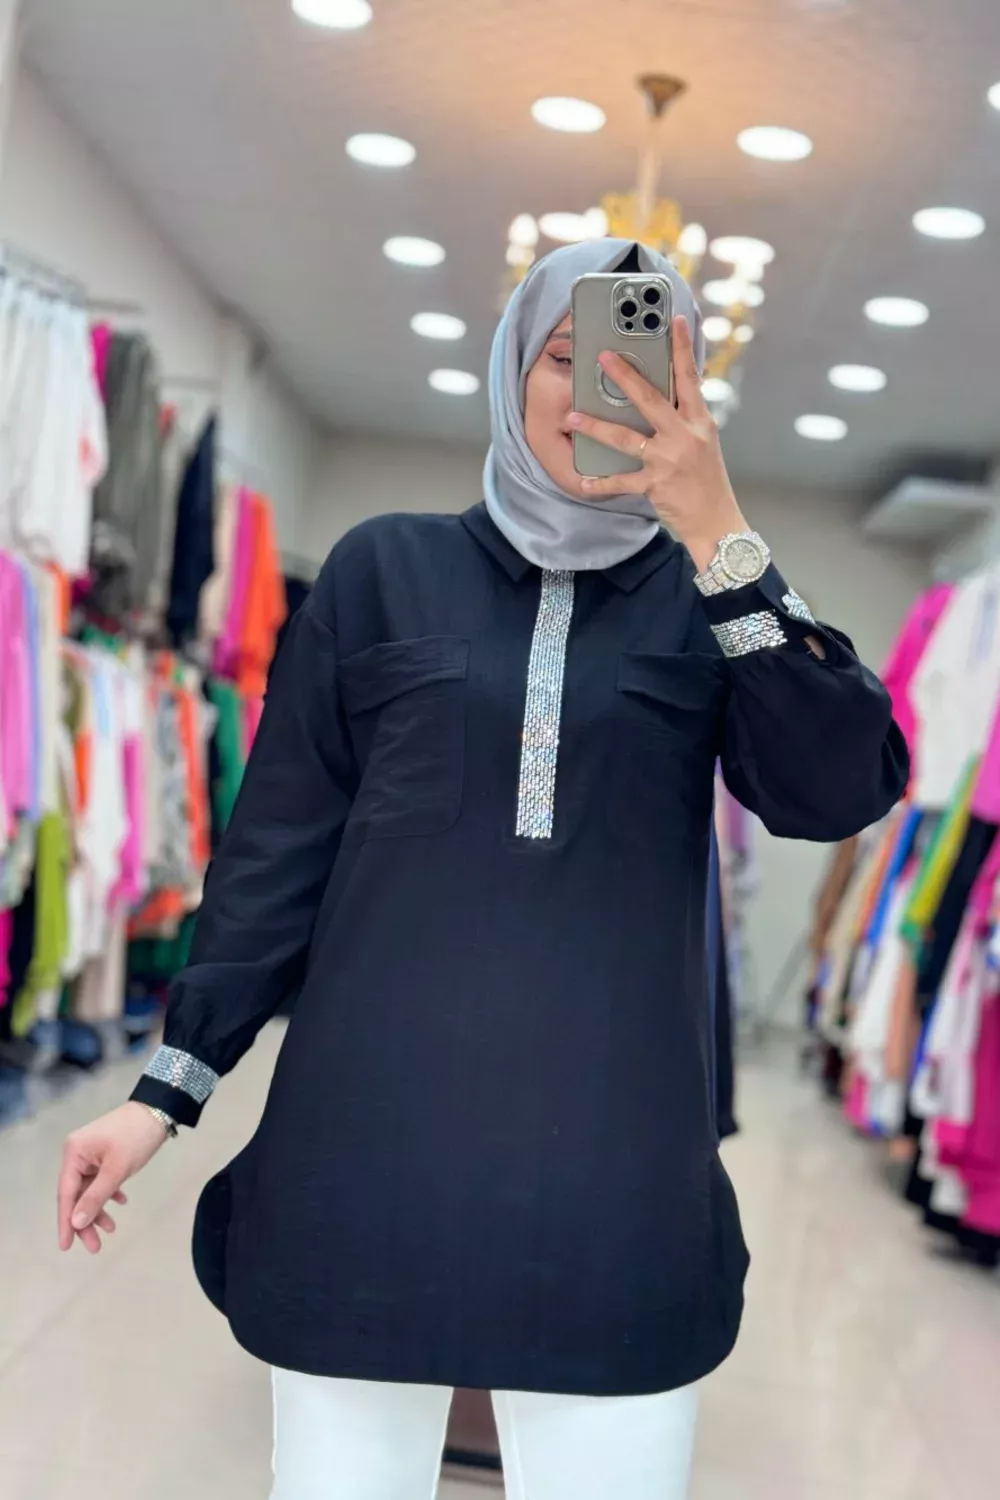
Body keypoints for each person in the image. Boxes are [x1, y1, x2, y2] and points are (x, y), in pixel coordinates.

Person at [58, 239, 908, 1500]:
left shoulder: (713, 603)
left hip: (616, 1190)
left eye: (651, 368)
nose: (602, 391)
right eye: (568, 358)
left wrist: (720, 532)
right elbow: (276, 854)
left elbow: (838, 788)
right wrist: (162, 1095)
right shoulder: (381, 572)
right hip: (364, 1165)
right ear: (513, 370)